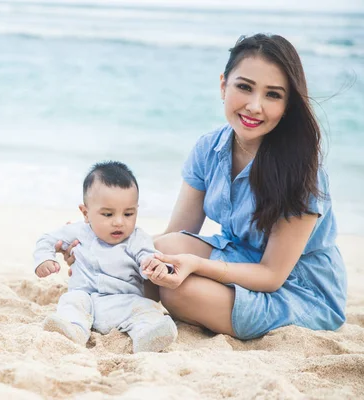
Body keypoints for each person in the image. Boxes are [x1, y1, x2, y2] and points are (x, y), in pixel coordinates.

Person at [57, 33, 347, 340]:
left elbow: (271, 275)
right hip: (237, 257)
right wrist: (97, 246)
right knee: (158, 254)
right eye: (244, 87)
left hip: (297, 288)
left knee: (177, 292)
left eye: (273, 95)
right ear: (223, 85)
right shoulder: (210, 148)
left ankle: (113, 301)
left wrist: (195, 265)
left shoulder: (302, 170)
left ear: (288, 104)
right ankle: (94, 302)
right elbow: (176, 234)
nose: (254, 106)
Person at [34, 161, 177, 353]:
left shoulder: (137, 238)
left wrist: (154, 265)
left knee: (146, 308)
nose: (119, 222)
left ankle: (146, 336)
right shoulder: (77, 231)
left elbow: (148, 255)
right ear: (86, 213)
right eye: (108, 214)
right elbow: (47, 238)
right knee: (70, 302)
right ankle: (73, 331)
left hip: (123, 301)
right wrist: (45, 258)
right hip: (85, 298)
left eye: (128, 213)